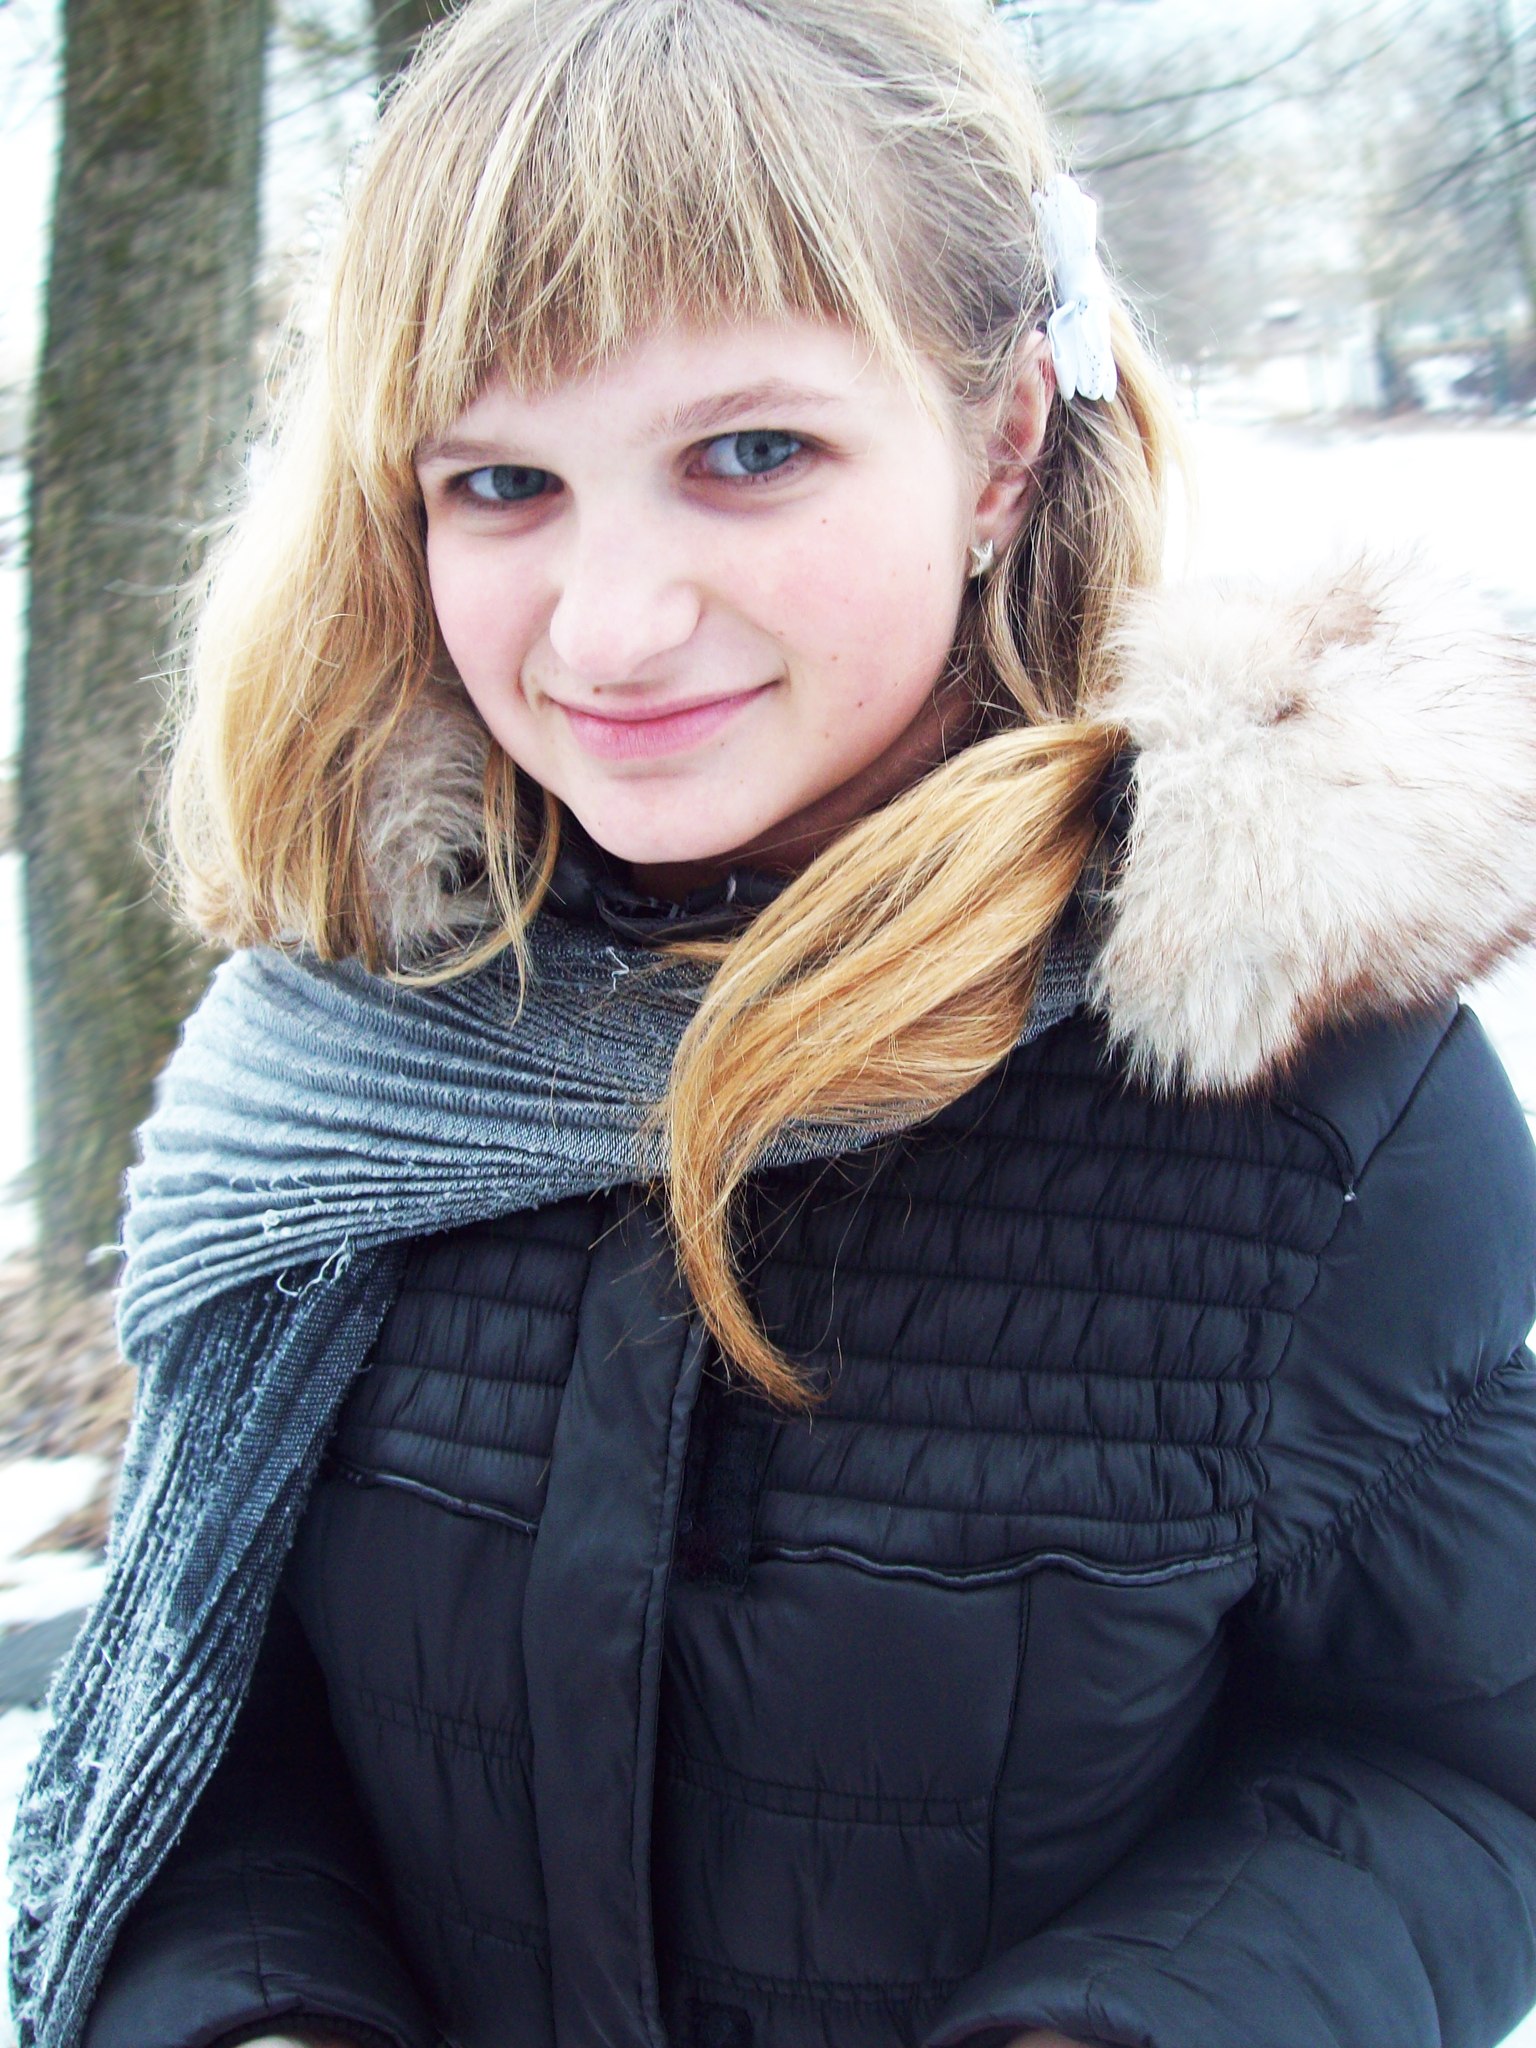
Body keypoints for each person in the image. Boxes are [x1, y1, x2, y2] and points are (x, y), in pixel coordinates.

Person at [10, 0, 1536, 2044]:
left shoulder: (1295, 1073)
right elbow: (202, 1712)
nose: (611, 622)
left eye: (749, 454)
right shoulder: (341, 1054)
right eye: (503, 481)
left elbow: (1456, 1764)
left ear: (1002, 444)